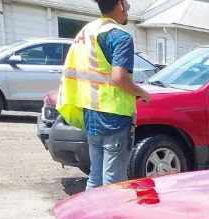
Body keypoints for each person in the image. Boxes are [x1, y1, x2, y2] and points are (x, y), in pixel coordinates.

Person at [57, 0, 151, 190]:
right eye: (127, 3)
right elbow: (119, 78)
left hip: (90, 112)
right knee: (114, 181)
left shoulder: (86, 32)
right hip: (114, 115)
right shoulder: (120, 36)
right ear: (120, 5)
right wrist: (142, 93)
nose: (129, 8)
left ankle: (91, 218)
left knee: (96, 177)